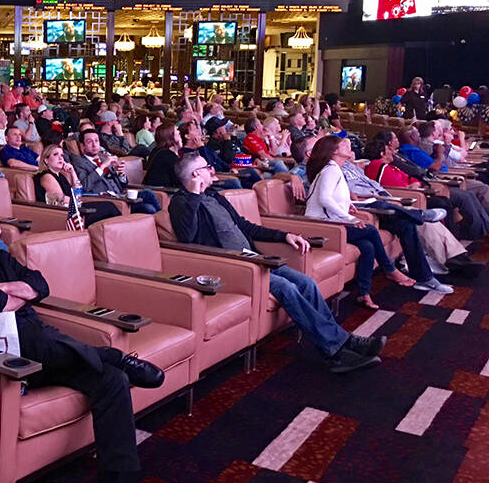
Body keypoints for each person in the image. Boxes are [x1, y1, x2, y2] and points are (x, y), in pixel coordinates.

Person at [0, 205, 164, 483]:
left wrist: (9, 290)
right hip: (4, 357)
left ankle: (118, 478)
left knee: (111, 379)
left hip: (43, 348)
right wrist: (16, 294)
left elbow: (40, 285)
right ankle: (113, 355)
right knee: (36, 336)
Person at [169, 153, 385, 373]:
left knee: (306, 283)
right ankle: (336, 352)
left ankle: (342, 341)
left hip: (254, 257)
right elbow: (187, 236)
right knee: (287, 288)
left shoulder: (215, 196)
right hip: (231, 266)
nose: (212, 170)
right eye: (207, 167)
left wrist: (284, 236)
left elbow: (246, 226)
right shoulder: (180, 203)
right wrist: (194, 195)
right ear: (196, 174)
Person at [305, 135, 451, 308]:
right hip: (323, 226)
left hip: (333, 220)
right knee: (371, 231)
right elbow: (324, 199)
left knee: (369, 245)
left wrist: (348, 206)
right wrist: (349, 218)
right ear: (334, 151)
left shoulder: (337, 168)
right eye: (342, 144)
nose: (348, 145)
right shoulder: (331, 169)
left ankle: (364, 294)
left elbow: (332, 198)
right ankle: (390, 270)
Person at [362, 139, 480, 277]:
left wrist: (414, 185)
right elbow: (398, 187)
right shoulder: (378, 166)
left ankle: (458, 257)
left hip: (410, 197)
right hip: (395, 204)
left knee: (431, 220)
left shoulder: (392, 166)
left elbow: (412, 179)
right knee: (434, 211)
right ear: (382, 153)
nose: (392, 151)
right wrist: (411, 187)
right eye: (389, 149)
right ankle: (454, 260)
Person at [70, 129, 161, 214]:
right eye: (90, 142)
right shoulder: (79, 162)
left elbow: (123, 185)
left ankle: (164, 220)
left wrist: (120, 174)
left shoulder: (103, 158)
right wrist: (103, 166)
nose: (94, 145)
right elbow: (85, 186)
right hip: (107, 202)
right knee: (149, 208)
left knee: (148, 194)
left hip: (121, 197)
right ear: (82, 146)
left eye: (97, 141)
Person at [36, 144, 121, 225]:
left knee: (110, 208)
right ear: (46, 160)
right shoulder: (46, 176)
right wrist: (78, 202)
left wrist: (72, 172)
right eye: (55, 154)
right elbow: (62, 200)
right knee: (109, 208)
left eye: (62, 155)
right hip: (65, 215)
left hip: (74, 209)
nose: (60, 158)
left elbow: (78, 192)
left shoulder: (61, 176)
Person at [177, 121, 242, 190]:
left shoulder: (204, 147)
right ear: (187, 136)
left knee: (249, 173)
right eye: (194, 129)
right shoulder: (186, 153)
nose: (198, 131)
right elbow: (208, 166)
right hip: (210, 180)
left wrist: (229, 168)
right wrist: (201, 148)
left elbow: (217, 159)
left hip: (222, 173)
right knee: (234, 183)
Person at [144, 123, 182, 188]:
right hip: (163, 191)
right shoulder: (167, 155)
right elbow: (179, 178)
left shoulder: (157, 150)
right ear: (169, 134)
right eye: (176, 130)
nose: (179, 132)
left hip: (163, 189)